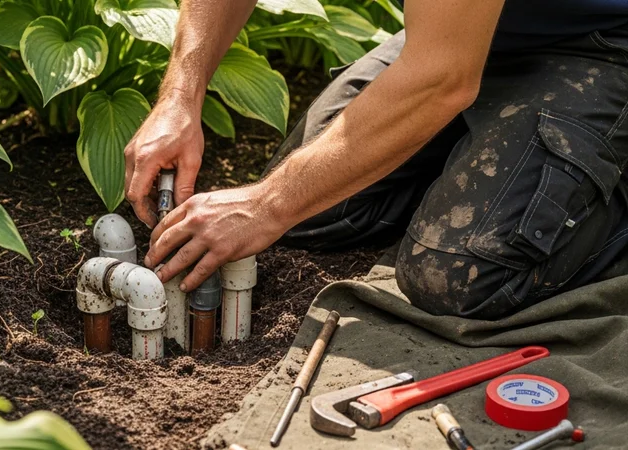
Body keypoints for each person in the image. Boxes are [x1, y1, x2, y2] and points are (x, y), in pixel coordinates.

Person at [125, 0, 628, 319]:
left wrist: (265, 205)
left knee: (459, 275)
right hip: (460, 29)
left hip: (600, 42)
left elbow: (445, 77)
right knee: (314, 212)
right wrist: (180, 96)